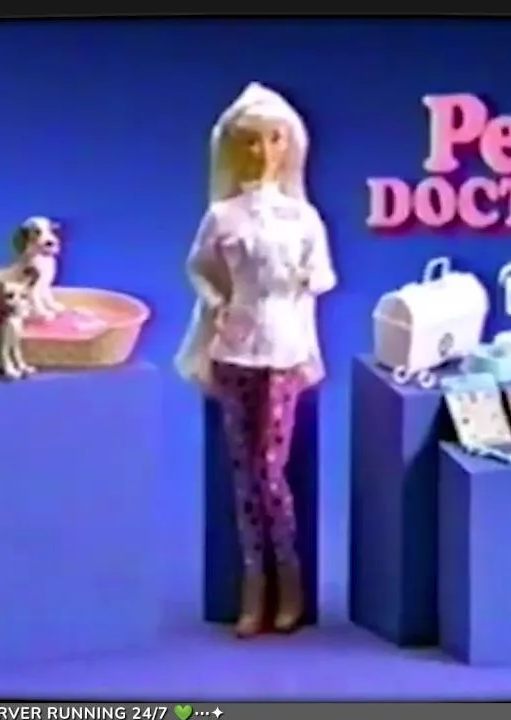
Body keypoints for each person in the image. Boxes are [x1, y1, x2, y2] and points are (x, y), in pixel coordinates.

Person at [174, 82, 336, 638]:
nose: (263, 152)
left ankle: (288, 579)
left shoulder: (302, 218)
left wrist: (306, 282)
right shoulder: (223, 216)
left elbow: (322, 276)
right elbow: (198, 266)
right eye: (251, 141)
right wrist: (215, 300)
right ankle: (253, 585)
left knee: (270, 469)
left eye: (273, 140)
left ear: (288, 146)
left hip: (284, 348)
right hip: (235, 349)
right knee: (244, 475)